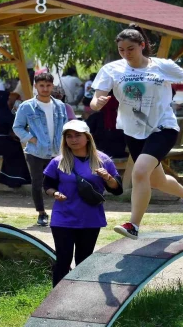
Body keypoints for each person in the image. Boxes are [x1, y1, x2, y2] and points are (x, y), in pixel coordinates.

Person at [90, 23, 183, 239]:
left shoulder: (161, 66)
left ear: (142, 45)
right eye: (122, 50)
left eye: (131, 48)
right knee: (156, 181)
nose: (126, 54)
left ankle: (133, 225)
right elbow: (95, 100)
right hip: (133, 131)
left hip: (162, 127)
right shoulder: (112, 69)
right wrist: (97, 103)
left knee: (140, 172)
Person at [43, 120, 122, 286]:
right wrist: (55, 193)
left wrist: (107, 177)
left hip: (90, 218)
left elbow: (117, 189)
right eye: (69, 136)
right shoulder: (58, 161)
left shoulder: (103, 160)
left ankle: (79, 295)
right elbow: (47, 185)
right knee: (63, 259)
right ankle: (55, 299)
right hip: (63, 217)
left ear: (87, 137)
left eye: (78, 135)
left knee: (84, 261)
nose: (73, 139)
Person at [13, 72, 69, 227]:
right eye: (41, 85)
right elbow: (17, 127)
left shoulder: (60, 105)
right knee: (37, 183)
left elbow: (66, 126)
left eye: (48, 85)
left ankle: (63, 211)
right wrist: (32, 139)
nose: (45, 88)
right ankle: (41, 213)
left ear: (53, 86)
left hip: (57, 151)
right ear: (36, 86)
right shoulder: (27, 106)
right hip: (36, 151)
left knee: (63, 181)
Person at [0, 90, 31, 188]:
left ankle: (13, 176)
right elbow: (15, 130)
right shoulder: (3, 113)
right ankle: (15, 178)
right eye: (7, 99)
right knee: (19, 150)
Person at [86, 91, 128, 159]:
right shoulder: (123, 118)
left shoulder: (96, 117)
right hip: (120, 152)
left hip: (100, 153)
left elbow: (88, 133)